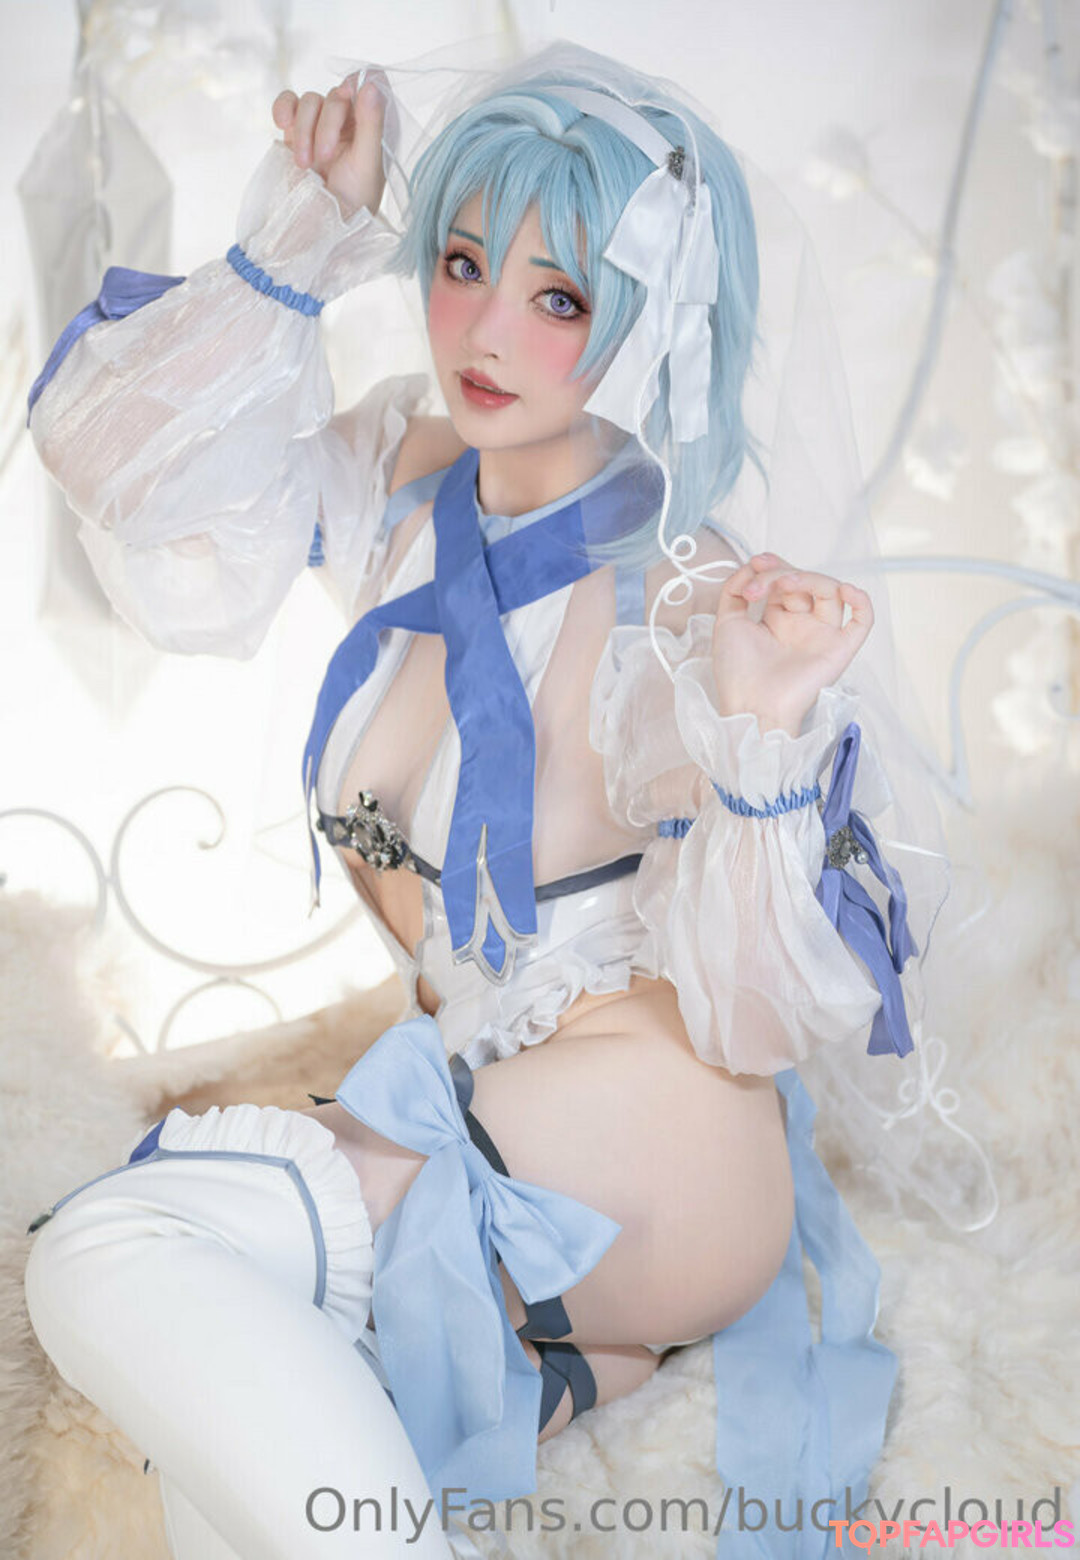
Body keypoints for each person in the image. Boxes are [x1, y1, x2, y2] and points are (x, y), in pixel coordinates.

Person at [21, 39, 941, 1560]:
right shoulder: (402, 471)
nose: (488, 331)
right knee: (222, 1437)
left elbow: (764, 1012)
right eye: (461, 265)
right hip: (502, 1128)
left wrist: (762, 727)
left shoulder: (678, 597)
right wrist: (300, 235)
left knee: (106, 1246)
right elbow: (123, 473)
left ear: (649, 326)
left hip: (660, 1144)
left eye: (560, 298)